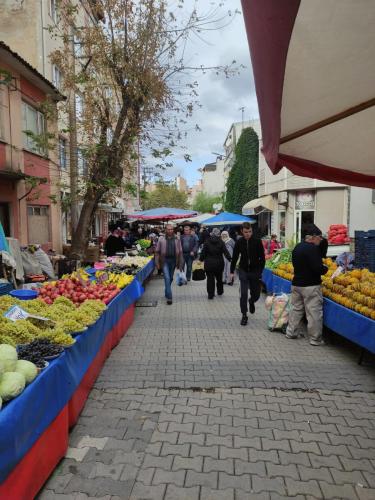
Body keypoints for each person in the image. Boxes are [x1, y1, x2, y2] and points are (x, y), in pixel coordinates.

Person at [286, 225, 328, 346]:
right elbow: (317, 268)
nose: (321, 240)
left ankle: (291, 332)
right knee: (313, 312)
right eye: (320, 238)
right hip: (311, 286)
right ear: (313, 237)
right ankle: (315, 339)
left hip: (296, 284)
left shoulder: (297, 247)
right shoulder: (313, 249)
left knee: (295, 309)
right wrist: (325, 269)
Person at [230, 222, 265, 326]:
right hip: (243, 270)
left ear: (251, 231)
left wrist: (260, 271)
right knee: (243, 294)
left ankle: (252, 301)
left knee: (256, 295)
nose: (248, 234)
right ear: (242, 231)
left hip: (255, 271)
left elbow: (262, 258)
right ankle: (244, 315)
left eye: (249, 231)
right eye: (246, 232)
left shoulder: (257, 242)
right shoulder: (239, 242)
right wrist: (231, 271)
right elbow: (235, 257)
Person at [155, 224, 183, 304]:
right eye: (168, 229)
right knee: (167, 278)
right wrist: (157, 263)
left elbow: (180, 252)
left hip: (174, 261)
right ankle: (169, 297)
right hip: (164, 261)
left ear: (173, 230)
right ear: (165, 230)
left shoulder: (177, 239)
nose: (170, 231)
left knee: (170, 278)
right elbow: (157, 252)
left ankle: (166, 290)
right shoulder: (161, 239)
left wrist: (181, 264)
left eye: (171, 229)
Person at [200, 228, 231, 299]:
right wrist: (230, 259)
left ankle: (210, 294)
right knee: (219, 278)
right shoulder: (221, 242)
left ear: (212, 233)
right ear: (219, 234)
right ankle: (220, 291)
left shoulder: (207, 242)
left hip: (209, 264)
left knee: (210, 279)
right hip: (219, 264)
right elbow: (226, 252)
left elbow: (203, 253)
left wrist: (200, 260)